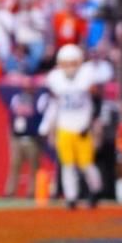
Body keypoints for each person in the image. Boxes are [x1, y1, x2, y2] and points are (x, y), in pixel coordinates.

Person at [42, 45, 107, 209]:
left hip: (82, 126)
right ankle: (71, 197)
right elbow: (54, 104)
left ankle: (96, 190)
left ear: (79, 62)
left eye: (73, 63)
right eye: (66, 63)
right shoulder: (55, 78)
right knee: (67, 164)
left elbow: (97, 101)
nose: (70, 67)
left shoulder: (87, 75)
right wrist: (48, 127)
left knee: (86, 165)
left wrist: (93, 123)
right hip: (64, 126)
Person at [6, 91, 44, 200]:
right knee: (14, 165)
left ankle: (32, 192)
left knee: (34, 167)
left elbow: (39, 118)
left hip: (32, 139)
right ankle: (10, 191)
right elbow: (11, 118)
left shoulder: (38, 101)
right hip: (17, 138)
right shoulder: (16, 98)